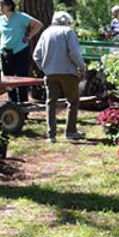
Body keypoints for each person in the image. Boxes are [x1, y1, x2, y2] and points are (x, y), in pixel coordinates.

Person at [33, 11, 86, 143]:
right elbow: (73, 52)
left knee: (51, 103)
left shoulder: (46, 32)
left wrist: (45, 68)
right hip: (68, 72)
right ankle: (70, 131)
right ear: (67, 21)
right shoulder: (68, 32)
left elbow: (36, 55)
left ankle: (51, 135)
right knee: (73, 101)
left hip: (50, 73)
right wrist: (81, 66)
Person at [0, 0, 43, 103]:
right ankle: (12, 102)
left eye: (2, 6)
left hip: (20, 50)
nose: (0, 8)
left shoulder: (21, 17)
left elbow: (38, 25)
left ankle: (23, 103)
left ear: (9, 7)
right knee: (8, 79)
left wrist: (29, 36)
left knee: (21, 77)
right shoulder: (0, 19)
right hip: (5, 52)